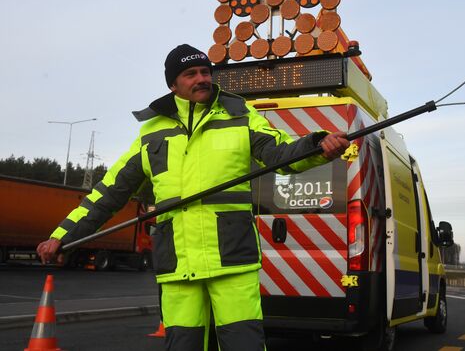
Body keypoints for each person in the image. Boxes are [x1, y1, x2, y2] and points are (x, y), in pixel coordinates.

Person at [37, 44, 350, 351]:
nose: (201, 78)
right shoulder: (151, 132)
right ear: (173, 84)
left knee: (244, 343)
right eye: (190, 73)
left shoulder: (240, 115)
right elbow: (108, 194)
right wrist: (62, 236)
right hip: (177, 261)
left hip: (231, 257)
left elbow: (280, 153)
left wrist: (318, 146)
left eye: (205, 71)